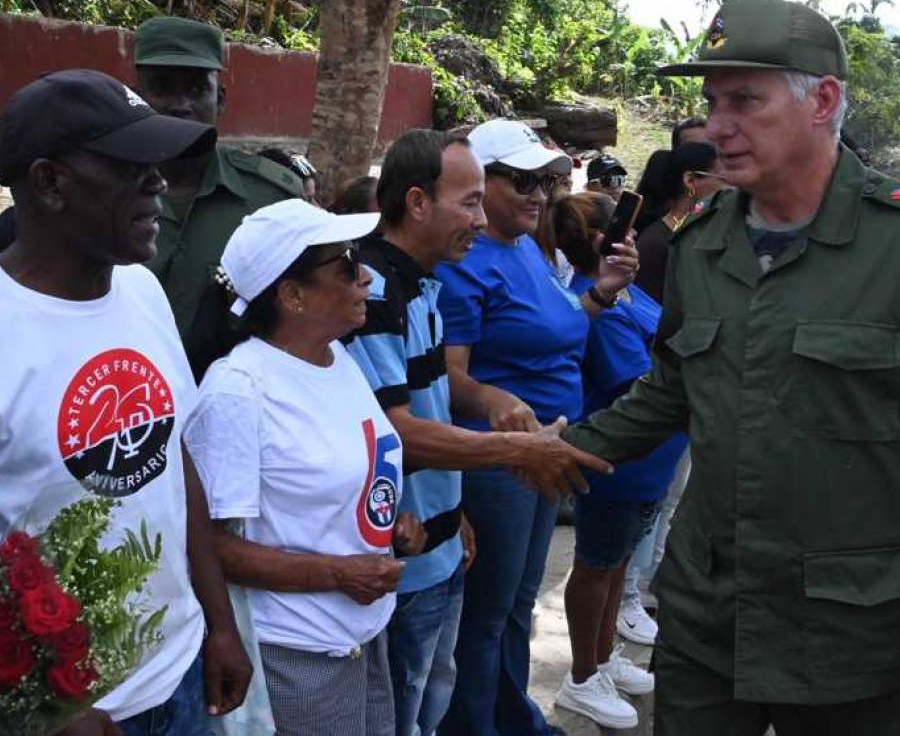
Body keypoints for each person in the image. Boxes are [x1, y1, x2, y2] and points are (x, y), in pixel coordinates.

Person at [563, 0, 900, 735]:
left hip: (857, 633)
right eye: (713, 101)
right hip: (709, 618)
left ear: (825, 102)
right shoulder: (703, 244)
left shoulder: (891, 243)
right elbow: (671, 390)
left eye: (745, 100)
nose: (717, 128)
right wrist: (559, 451)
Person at [0, 70, 251, 735]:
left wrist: (218, 623)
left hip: (179, 679)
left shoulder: (141, 291)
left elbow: (172, 463)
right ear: (51, 183)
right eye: (131, 166)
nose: (158, 183)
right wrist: (49, 711)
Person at [346, 128, 611, 736]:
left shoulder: (427, 283)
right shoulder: (375, 293)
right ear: (417, 203)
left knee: (436, 690)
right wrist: (513, 448)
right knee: (405, 705)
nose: (479, 216)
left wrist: (454, 504)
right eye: (469, 201)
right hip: (401, 553)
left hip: (439, 534)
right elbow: (396, 432)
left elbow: (433, 400)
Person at [184, 200, 425, 736]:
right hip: (295, 655)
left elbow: (345, 475)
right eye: (344, 264)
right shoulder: (239, 390)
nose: (364, 275)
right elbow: (211, 544)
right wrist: (340, 573)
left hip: (361, 636)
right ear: (291, 295)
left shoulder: (338, 358)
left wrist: (392, 524)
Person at [434, 120, 639, 736]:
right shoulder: (467, 262)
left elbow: (552, 328)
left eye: (546, 182)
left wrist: (600, 295)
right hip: (504, 462)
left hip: (550, 448)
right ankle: (477, 725)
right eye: (522, 181)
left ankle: (511, 714)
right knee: (488, 613)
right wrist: (492, 398)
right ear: (481, 183)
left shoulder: (526, 245)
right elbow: (448, 377)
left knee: (519, 600)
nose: (539, 195)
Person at [541, 192, 688, 730]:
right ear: (604, 239)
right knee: (597, 566)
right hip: (620, 465)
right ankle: (582, 676)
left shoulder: (621, 293)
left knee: (619, 562)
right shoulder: (593, 304)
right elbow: (639, 377)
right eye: (624, 228)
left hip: (651, 464)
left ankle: (603, 657)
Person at [134, 16, 306, 378]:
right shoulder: (100, 196)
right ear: (135, 96)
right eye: (162, 89)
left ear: (221, 98)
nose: (181, 105)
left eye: (197, 90)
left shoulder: (270, 197)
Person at [634, 142, 726, 303]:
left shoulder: (710, 234)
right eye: (724, 178)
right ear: (690, 181)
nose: (731, 188)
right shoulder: (655, 244)